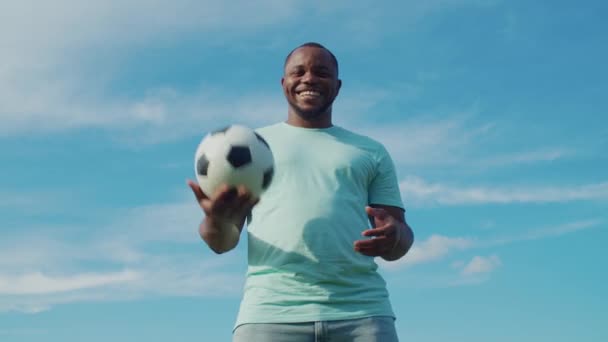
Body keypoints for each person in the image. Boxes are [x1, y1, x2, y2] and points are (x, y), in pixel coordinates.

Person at [187, 42, 414, 342]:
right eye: (299, 71)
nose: (309, 78)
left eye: (321, 72)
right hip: (270, 314)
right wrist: (215, 222)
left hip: (362, 313)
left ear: (338, 86)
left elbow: (400, 236)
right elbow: (222, 243)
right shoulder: (255, 148)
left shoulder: (370, 152)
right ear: (284, 83)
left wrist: (395, 237)